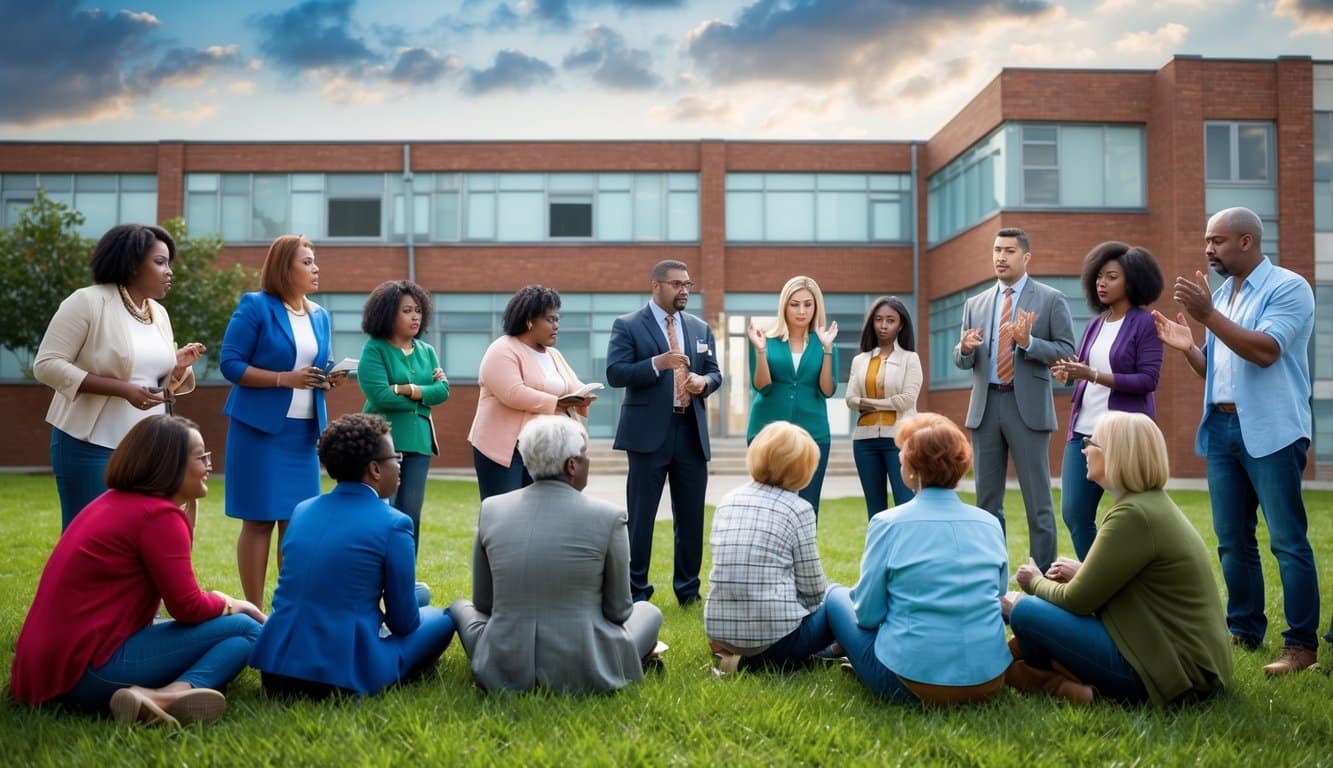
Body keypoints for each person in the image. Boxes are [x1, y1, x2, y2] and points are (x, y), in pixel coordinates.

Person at [1153, 206, 1322, 675]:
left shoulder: (1289, 288)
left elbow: (1265, 351)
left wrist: (1207, 316)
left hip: (1272, 432)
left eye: (1218, 241)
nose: (1208, 250)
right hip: (1224, 429)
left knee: (1287, 540)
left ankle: (1300, 646)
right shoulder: (1224, 294)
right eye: (1207, 241)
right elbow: (1218, 370)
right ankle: (1244, 630)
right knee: (1232, 540)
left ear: (1247, 242)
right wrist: (1189, 346)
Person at [10, 415, 264, 725]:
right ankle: (166, 697)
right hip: (84, 673)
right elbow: (188, 607)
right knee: (248, 629)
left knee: (234, 641)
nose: (209, 466)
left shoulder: (115, 502)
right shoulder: (158, 517)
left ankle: (165, 694)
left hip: (44, 673)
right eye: (201, 457)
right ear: (170, 464)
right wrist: (230, 603)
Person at [1006, 412, 1233, 706]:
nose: (1084, 449)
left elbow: (1077, 601)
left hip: (1172, 674)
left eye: (1092, 443)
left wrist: (1033, 583)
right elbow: (1138, 588)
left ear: (1116, 454)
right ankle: (1047, 677)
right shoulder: (1149, 505)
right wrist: (1084, 573)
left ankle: (1049, 682)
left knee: (1025, 612)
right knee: (1034, 618)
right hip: (1185, 663)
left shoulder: (1133, 515)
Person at [450, 416, 664, 692]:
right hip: (585, 664)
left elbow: (483, 603)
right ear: (571, 465)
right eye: (585, 455)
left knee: (460, 607)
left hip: (507, 660)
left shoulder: (492, 509)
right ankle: (633, 658)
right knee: (647, 611)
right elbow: (619, 611)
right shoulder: (609, 517)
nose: (588, 462)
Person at [250, 414, 456, 697]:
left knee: (418, 595)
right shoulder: (395, 523)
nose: (400, 464)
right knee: (442, 617)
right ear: (374, 469)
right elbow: (404, 622)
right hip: (342, 674)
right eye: (395, 456)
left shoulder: (302, 510)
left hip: (276, 668)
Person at [825, 413, 1010, 707]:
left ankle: (816, 651)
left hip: (910, 681)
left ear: (912, 470)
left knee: (835, 597)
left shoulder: (888, 523)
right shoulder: (989, 522)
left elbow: (867, 615)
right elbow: (998, 595)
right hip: (989, 678)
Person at [33, 224, 205, 530]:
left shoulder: (158, 313)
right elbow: (46, 364)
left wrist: (175, 367)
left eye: (169, 263)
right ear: (131, 263)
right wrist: (120, 389)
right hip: (89, 444)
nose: (169, 272)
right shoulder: (87, 301)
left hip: (148, 448)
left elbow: (150, 375)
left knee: (140, 536)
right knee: (91, 534)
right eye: (160, 262)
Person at [220, 234, 348, 608]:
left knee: (297, 526)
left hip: (303, 433)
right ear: (283, 268)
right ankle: (253, 612)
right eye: (306, 262)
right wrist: (283, 379)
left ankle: (287, 608)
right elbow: (231, 364)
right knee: (259, 521)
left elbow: (313, 366)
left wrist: (328, 377)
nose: (315, 268)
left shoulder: (321, 315)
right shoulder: (255, 307)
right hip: (259, 431)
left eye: (314, 261)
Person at [952, 227, 1075, 571]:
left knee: (1039, 505)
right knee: (986, 505)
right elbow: (964, 360)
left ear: (1026, 257)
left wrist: (1029, 342)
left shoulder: (1050, 300)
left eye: (1008, 251)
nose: (1000, 257)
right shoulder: (974, 304)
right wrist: (962, 349)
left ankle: (1044, 584)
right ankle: (991, 580)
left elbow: (1067, 352)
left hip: (1028, 411)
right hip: (986, 407)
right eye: (996, 250)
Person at [606, 260, 722, 605]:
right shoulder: (627, 325)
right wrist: (658, 363)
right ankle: (636, 591)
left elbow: (716, 372)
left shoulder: (700, 328)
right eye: (676, 284)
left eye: (688, 284)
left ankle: (688, 591)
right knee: (641, 518)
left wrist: (705, 382)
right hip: (647, 434)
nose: (684, 290)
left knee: (691, 519)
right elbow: (615, 373)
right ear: (655, 286)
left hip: (690, 430)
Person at [1050, 242, 1164, 559]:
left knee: (1132, 519)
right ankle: (1098, 581)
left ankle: (1128, 584)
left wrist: (1092, 374)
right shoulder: (1095, 324)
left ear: (1133, 280)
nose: (1102, 283)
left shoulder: (1146, 323)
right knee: (1074, 513)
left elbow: (1148, 380)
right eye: (1099, 276)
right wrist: (1071, 375)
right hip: (1083, 432)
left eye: (1111, 276)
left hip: (1123, 435)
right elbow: (1088, 373)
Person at [705, 421, 832, 674]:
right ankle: (830, 652)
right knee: (837, 600)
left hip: (719, 634)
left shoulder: (728, 500)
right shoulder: (798, 509)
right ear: (803, 468)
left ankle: (740, 657)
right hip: (776, 640)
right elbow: (814, 590)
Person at [468, 285, 595, 502]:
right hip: (506, 449)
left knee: (539, 513)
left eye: (557, 319)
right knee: (504, 513)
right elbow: (513, 393)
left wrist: (583, 397)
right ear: (529, 320)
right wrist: (557, 403)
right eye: (550, 320)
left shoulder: (553, 355)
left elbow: (573, 385)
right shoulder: (503, 349)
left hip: (542, 449)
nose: (557, 326)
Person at [357, 280, 449, 555]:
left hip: (419, 441)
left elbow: (443, 391)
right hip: (383, 443)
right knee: (384, 512)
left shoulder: (427, 351)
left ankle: (405, 573)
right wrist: (424, 397)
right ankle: (375, 568)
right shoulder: (375, 349)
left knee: (410, 514)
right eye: (407, 310)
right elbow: (380, 395)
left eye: (418, 310)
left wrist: (407, 390)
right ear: (387, 314)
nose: (415, 316)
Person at [745, 276, 839, 517]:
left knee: (808, 507)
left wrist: (827, 350)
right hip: (767, 432)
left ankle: (803, 555)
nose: (801, 311)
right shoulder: (765, 339)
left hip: (813, 432)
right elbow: (762, 387)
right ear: (784, 306)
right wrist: (761, 351)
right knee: (767, 507)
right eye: (794, 304)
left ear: (816, 307)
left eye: (808, 304)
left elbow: (827, 391)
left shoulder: (825, 343)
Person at [845, 295, 921, 518]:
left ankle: (907, 553)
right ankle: (878, 554)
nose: (884, 325)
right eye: (879, 319)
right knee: (875, 511)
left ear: (901, 325)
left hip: (899, 440)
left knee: (906, 506)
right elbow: (850, 399)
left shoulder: (910, 359)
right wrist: (886, 404)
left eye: (890, 320)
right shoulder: (860, 360)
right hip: (864, 442)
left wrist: (867, 403)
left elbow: (907, 400)